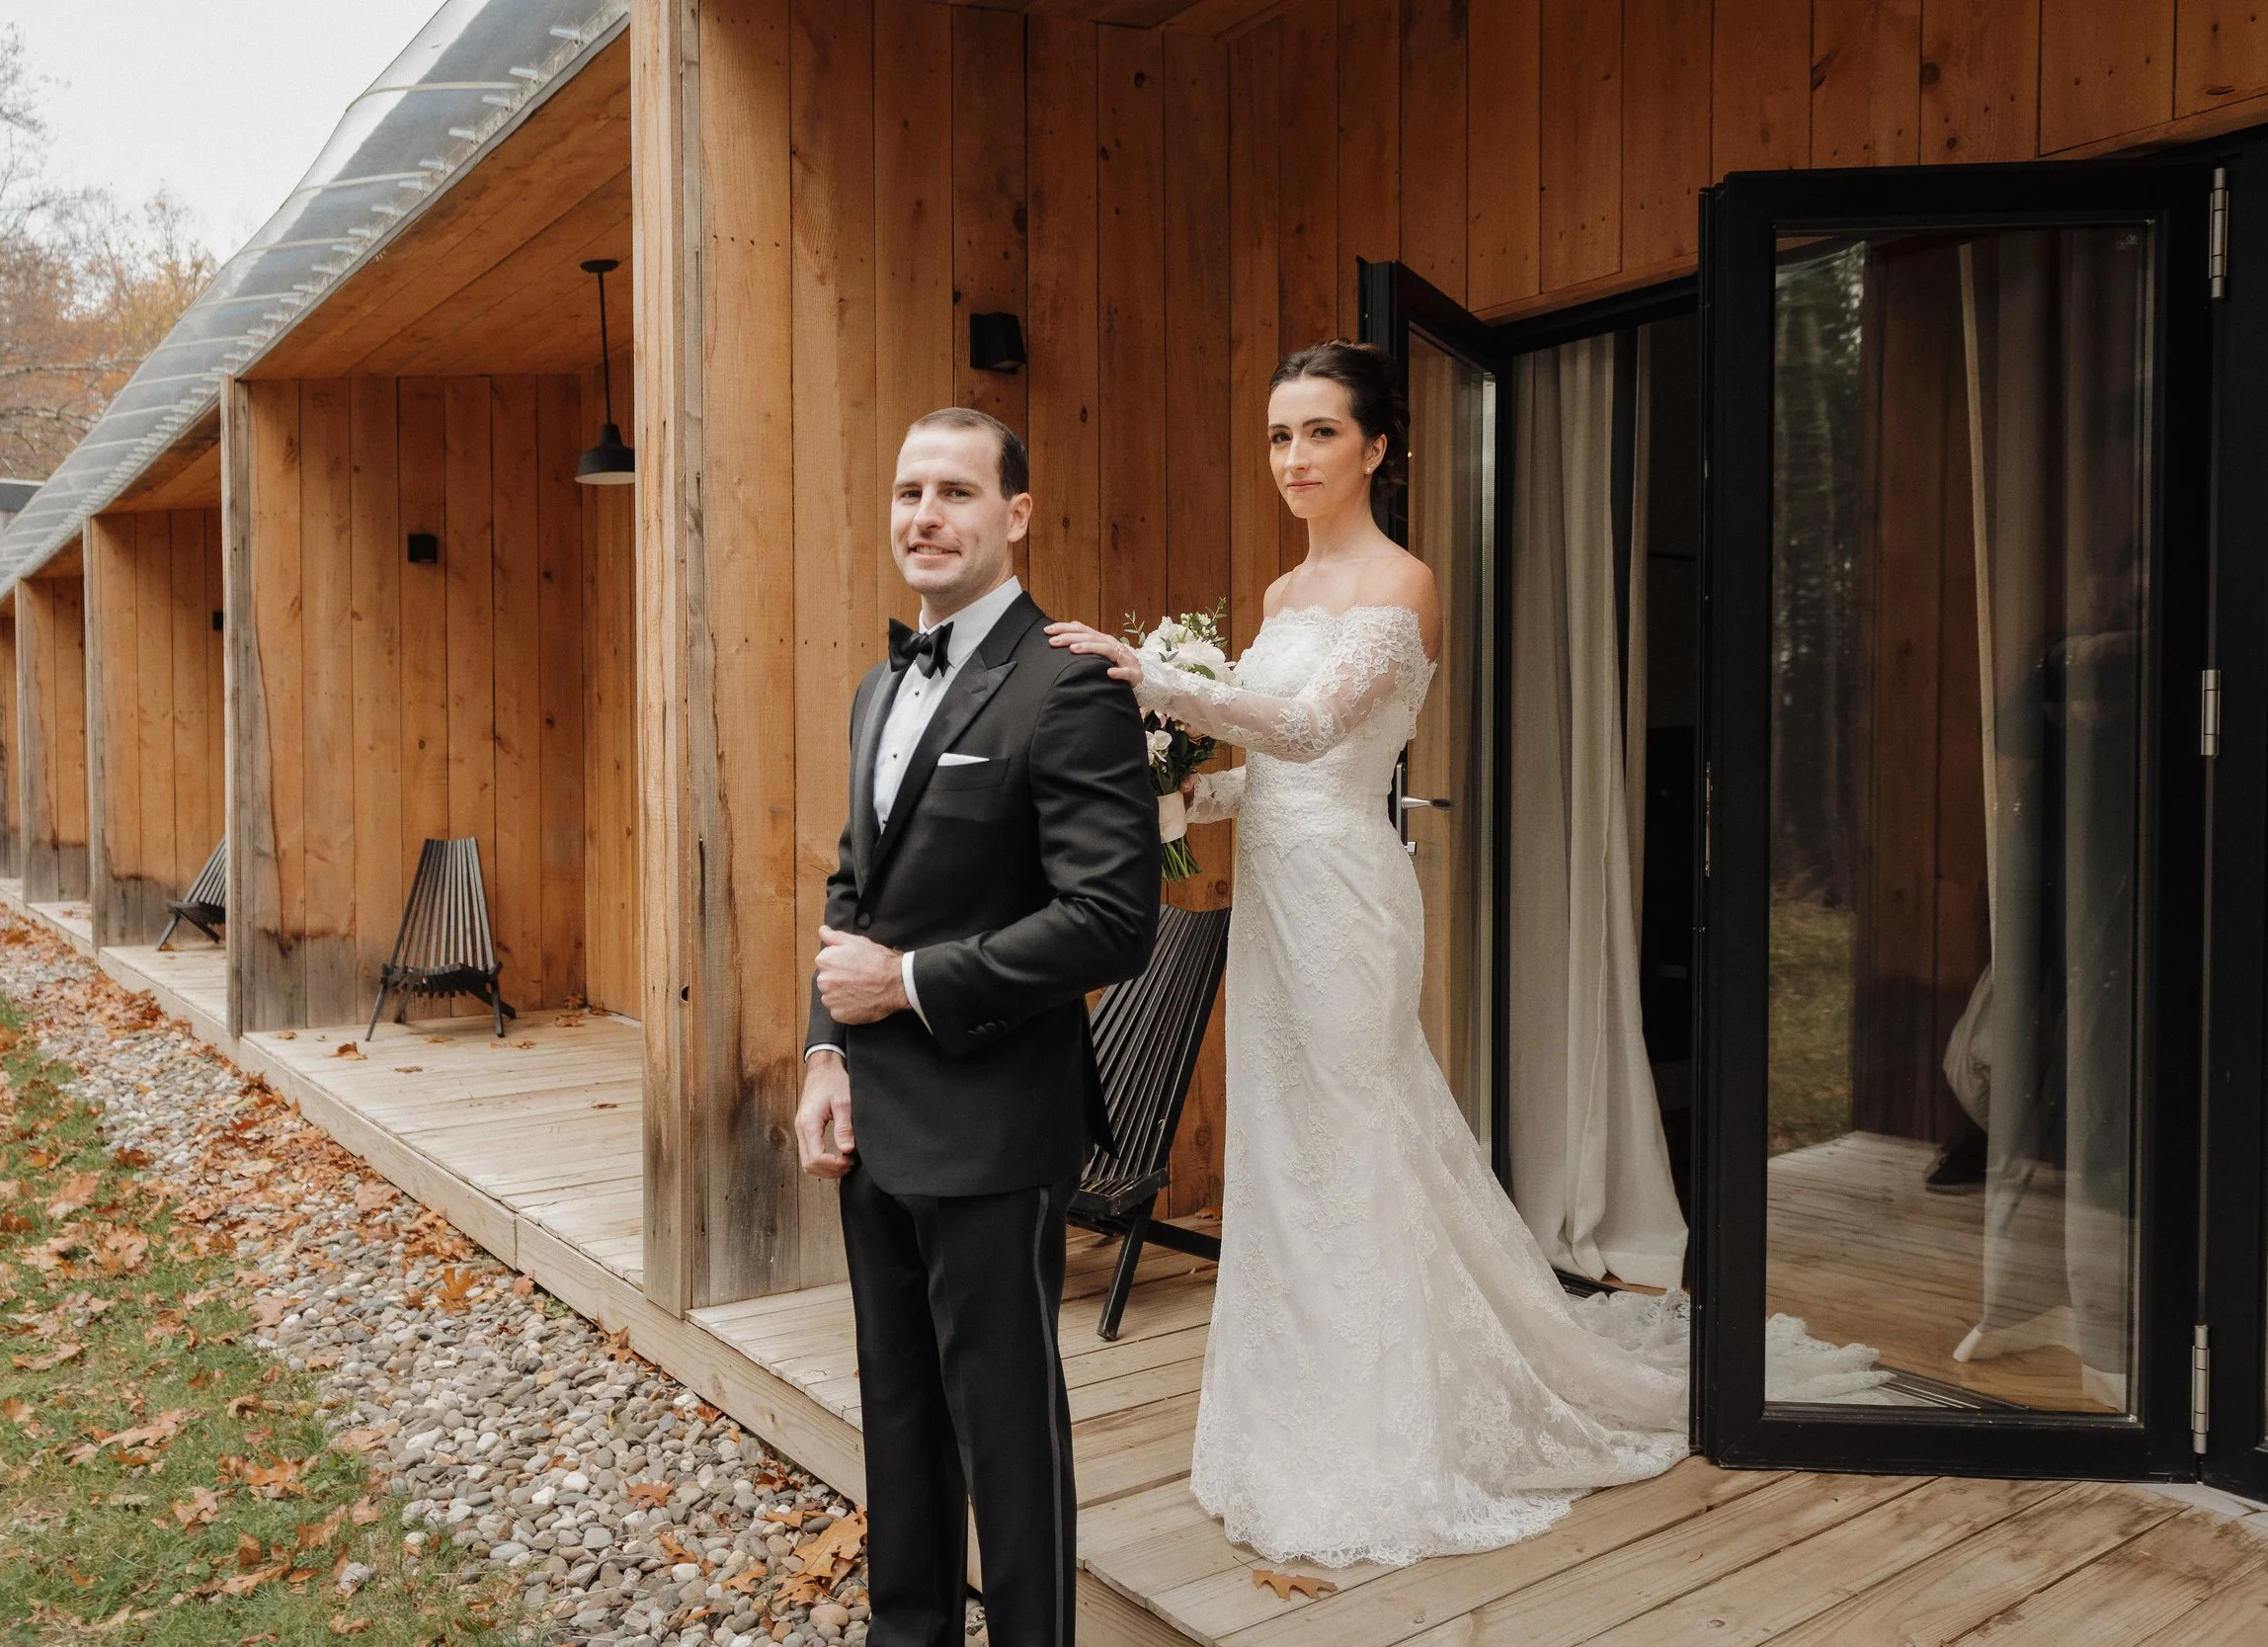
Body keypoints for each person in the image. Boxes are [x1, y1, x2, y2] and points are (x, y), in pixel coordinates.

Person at [1046, 342, 1882, 1569]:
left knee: (1356, 1143)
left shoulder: (1405, 582)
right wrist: (1172, 794)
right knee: (1291, 1157)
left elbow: (1319, 727)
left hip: (1344, 900)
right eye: (1279, 435)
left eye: (1320, 433)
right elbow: (1270, 771)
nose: (1293, 459)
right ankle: (1293, 1417)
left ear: (1377, 447)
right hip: (1279, 895)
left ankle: (1385, 1435)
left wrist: (1154, 680)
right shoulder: (1279, 601)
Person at [799, 407, 1160, 1646]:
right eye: (908, 490)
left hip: (997, 1117)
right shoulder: (875, 685)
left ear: (1014, 514)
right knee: (896, 1412)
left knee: (1005, 1432)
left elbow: (1113, 920)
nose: (924, 514)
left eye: (955, 490)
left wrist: (905, 985)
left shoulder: (1070, 686)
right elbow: (852, 888)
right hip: (873, 1115)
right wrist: (824, 1052)